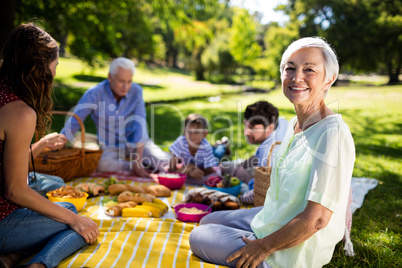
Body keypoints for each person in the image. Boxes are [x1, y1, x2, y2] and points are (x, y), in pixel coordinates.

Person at [189, 37, 355, 268]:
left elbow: (316, 219)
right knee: (206, 219)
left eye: (309, 69)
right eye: (290, 68)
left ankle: (265, 260)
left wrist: (262, 246)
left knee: (197, 237)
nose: (297, 77)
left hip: (292, 248)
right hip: (273, 217)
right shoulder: (292, 125)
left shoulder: (332, 134)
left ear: (329, 79)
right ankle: (257, 233)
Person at [0, 23, 99, 268]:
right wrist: (73, 219)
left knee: (58, 197)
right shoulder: (20, 112)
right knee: (79, 221)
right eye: (55, 65)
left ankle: (11, 257)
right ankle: (38, 264)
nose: (55, 71)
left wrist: (41, 145)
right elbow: (14, 190)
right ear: (41, 69)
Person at [61, 57, 170, 178]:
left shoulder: (137, 91)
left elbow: (141, 126)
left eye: (129, 81)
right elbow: (75, 121)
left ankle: (140, 163)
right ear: (110, 77)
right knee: (102, 165)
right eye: (121, 81)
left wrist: (138, 158)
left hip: (135, 143)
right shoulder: (94, 93)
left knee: (165, 162)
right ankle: (135, 166)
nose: (125, 86)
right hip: (109, 146)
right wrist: (60, 143)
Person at [221, 101, 288, 186]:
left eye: (252, 128)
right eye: (245, 125)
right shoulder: (281, 121)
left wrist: (246, 179)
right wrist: (240, 166)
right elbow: (257, 156)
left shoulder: (270, 154)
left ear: (270, 127)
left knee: (226, 170)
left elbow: (266, 188)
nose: (245, 133)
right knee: (223, 166)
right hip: (261, 163)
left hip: (270, 181)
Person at [168, 113, 219, 185]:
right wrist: (189, 170)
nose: (192, 135)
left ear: (204, 134)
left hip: (206, 161)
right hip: (190, 165)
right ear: (184, 132)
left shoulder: (206, 147)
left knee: (218, 153)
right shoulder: (181, 142)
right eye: (189, 132)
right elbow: (172, 168)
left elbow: (210, 170)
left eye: (196, 132)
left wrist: (193, 169)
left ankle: (222, 145)